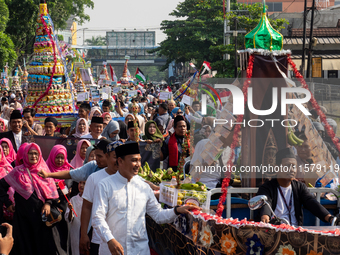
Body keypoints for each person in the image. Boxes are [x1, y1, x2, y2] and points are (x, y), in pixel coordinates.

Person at [92, 142, 199, 255]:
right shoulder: (105, 185)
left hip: (139, 250)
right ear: (120, 161)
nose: (138, 164)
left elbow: (158, 215)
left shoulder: (143, 186)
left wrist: (176, 210)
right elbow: (97, 217)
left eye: (139, 160)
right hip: (112, 250)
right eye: (134, 160)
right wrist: (110, 239)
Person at [0, 143, 59, 254]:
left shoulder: (44, 171)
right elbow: (1, 185)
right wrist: (8, 203)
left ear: (40, 155)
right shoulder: (17, 172)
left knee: (42, 246)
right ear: (25, 155)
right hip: (23, 219)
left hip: (41, 218)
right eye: (30, 153)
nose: (33, 156)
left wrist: (48, 203)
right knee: (25, 247)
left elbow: (52, 192)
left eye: (36, 153)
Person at [256, 147, 335, 226]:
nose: (292, 170)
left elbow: (311, 202)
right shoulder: (267, 187)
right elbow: (265, 202)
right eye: (287, 166)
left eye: (294, 166)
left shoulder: (299, 187)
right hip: (275, 231)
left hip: (295, 232)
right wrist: (265, 215)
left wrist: (330, 218)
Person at [80, 141, 122, 255]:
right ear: (108, 157)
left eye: (121, 157)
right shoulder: (94, 178)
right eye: (115, 157)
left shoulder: (128, 178)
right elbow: (87, 207)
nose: (118, 160)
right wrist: (83, 234)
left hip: (122, 240)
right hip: (99, 240)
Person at [38, 139, 111, 183]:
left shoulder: (118, 171)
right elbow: (70, 174)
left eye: (100, 156)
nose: (96, 158)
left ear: (109, 156)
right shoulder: (92, 166)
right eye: (95, 155)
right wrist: (48, 175)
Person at [46, 145, 73, 255]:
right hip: (50, 210)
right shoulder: (46, 170)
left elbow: (70, 188)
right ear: (52, 156)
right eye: (57, 157)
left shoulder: (70, 171)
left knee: (64, 236)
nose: (60, 160)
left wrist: (62, 188)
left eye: (62, 157)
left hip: (64, 208)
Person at [65, 181, 85, 255]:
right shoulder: (73, 199)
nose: (81, 185)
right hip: (75, 231)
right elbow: (69, 219)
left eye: (84, 183)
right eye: (80, 183)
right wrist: (70, 210)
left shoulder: (91, 199)